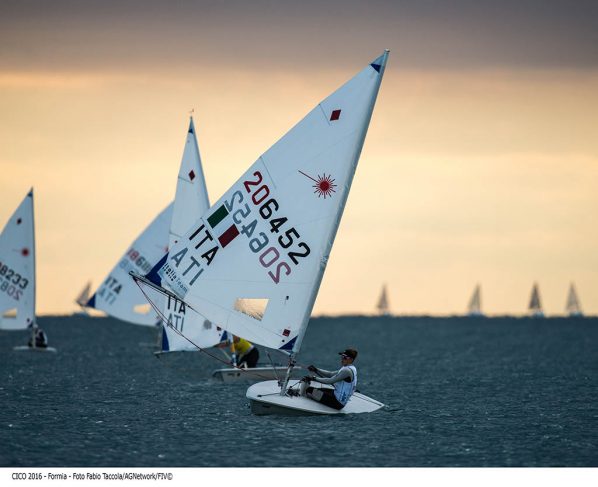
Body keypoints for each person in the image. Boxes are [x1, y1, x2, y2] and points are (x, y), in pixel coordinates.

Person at [293, 348, 358, 410]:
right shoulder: (350, 368)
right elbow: (330, 374)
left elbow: (330, 381)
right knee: (315, 390)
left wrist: (314, 378)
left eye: (345, 357)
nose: (342, 359)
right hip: (335, 394)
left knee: (309, 390)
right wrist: (316, 369)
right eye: (342, 356)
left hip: (337, 402)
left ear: (351, 359)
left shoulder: (346, 371)